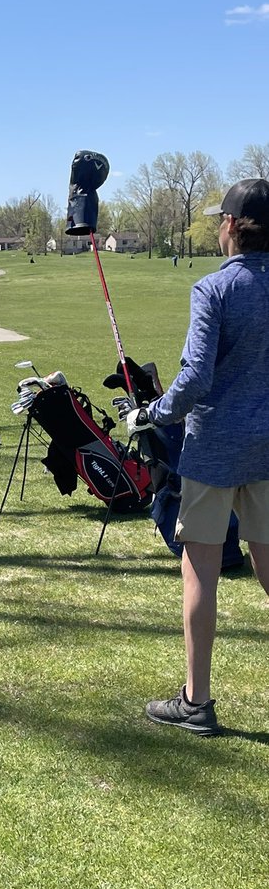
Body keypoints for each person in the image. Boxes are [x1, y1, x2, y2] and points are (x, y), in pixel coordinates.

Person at [124, 178, 269, 735]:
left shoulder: (214, 289)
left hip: (214, 450)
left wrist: (151, 414)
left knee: (201, 569)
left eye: (219, 220)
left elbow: (194, 380)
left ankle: (196, 700)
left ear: (231, 225)